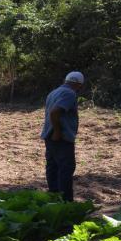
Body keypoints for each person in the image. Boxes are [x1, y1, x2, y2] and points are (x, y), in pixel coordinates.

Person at [40, 71, 84, 201]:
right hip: (60, 138)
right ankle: (65, 202)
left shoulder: (54, 92)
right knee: (66, 169)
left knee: (53, 167)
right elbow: (55, 112)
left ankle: (53, 198)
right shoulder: (70, 94)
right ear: (78, 84)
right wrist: (58, 132)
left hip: (49, 136)